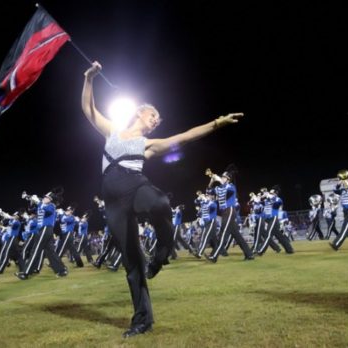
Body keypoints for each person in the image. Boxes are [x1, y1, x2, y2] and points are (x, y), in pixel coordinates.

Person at [82, 60, 244, 338]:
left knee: (160, 203)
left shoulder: (147, 145)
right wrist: (89, 79)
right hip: (112, 200)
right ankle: (142, 320)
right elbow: (88, 109)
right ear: (139, 111)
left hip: (135, 186)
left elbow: (185, 136)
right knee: (132, 263)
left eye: (158, 119)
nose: (156, 120)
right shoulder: (111, 130)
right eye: (153, 115)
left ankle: (160, 256)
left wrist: (217, 123)